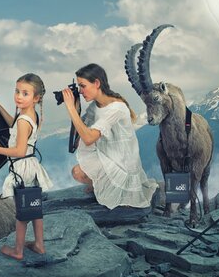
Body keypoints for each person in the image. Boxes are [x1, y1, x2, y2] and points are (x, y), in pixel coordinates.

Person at [62, 63, 157, 209]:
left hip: (123, 163)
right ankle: (103, 184)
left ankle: (115, 189)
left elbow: (88, 139)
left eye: (83, 86)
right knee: (77, 172)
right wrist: (76, 109)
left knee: (79, 172)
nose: (80, 91)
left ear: (97, 83)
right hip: (109, 155)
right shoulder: (95, 107)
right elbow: (78, 138)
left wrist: (70, 109)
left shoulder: (116, 108)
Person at [0, 73, 54, 261]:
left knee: (22, 210)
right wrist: (0, 107)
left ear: (36, 98)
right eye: (17, 91)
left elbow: (19, 150)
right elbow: (14, 125)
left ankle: (18, 250)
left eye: (25, 93)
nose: (18, 96)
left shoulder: (24, 121)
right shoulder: (28, 115)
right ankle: (39, 245)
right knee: (34, 205)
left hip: (22, 167)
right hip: (32, 165)